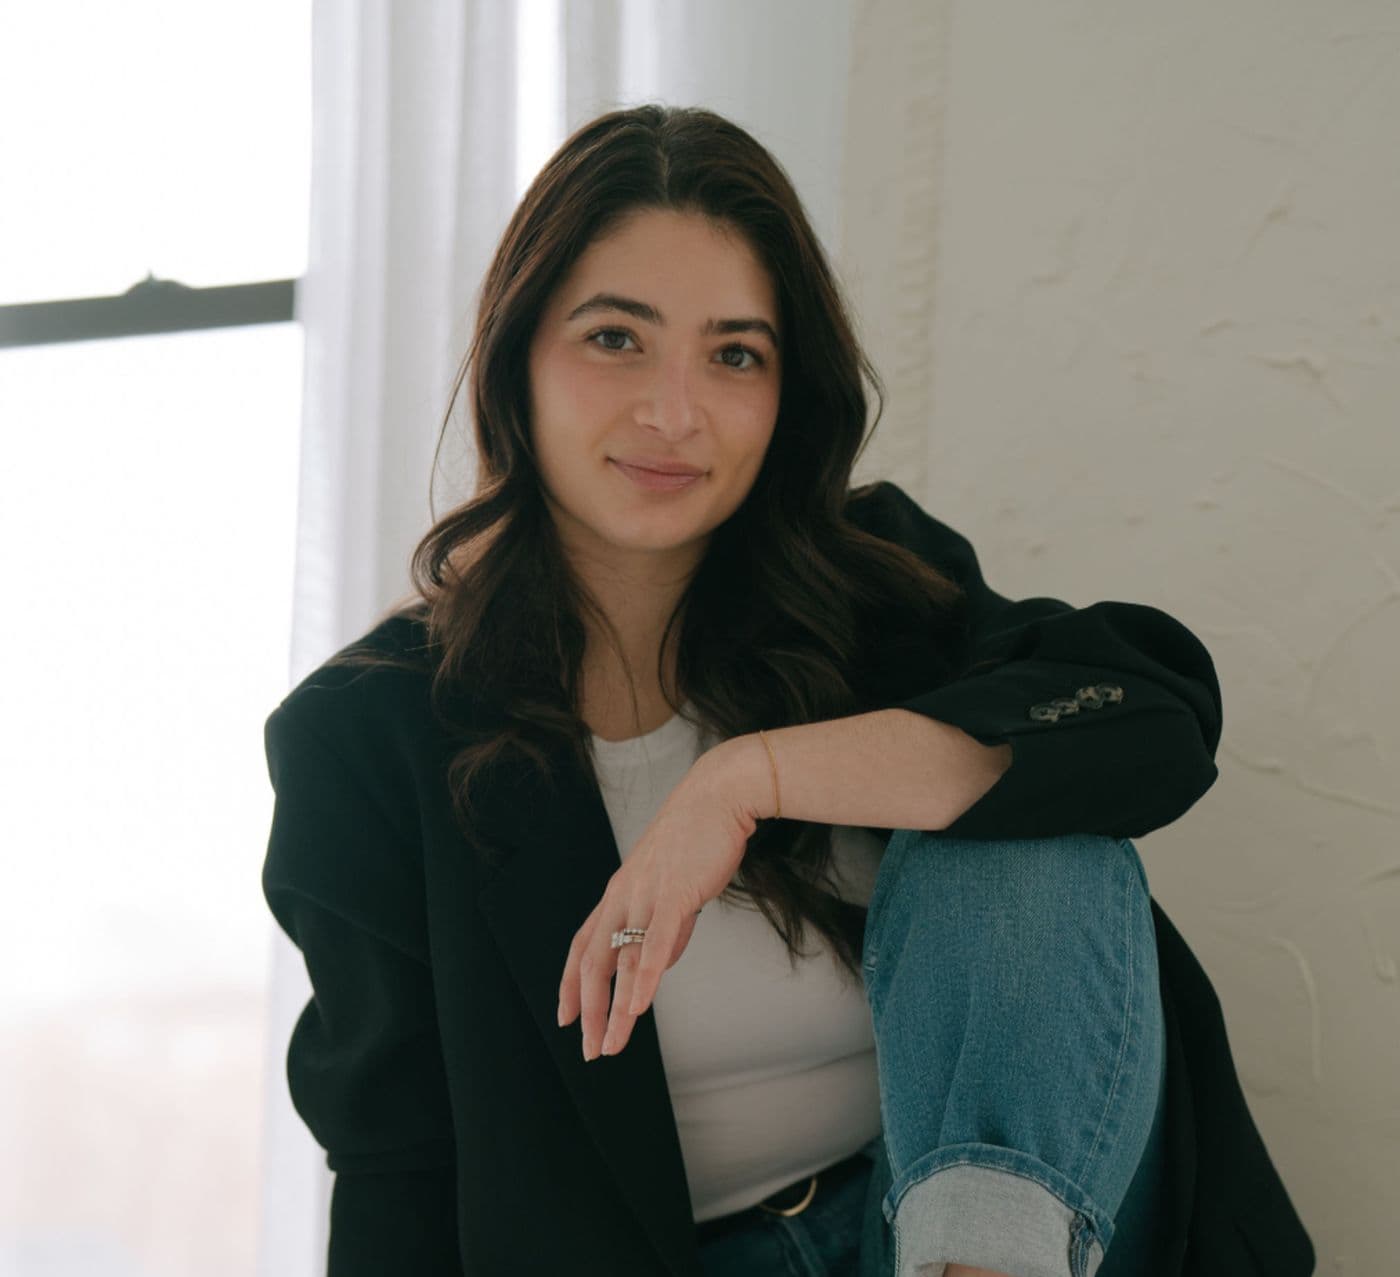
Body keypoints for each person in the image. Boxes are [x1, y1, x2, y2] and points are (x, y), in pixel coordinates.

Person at [261, 104, 1314, 1276]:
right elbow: (396, 1157)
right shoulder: (363, 734)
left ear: (784, 390)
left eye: (734, 354)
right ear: (516, 355)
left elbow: (1151, 718)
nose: (674, 412)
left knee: (1022, 829)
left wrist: (746, 778)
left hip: (989, 1233)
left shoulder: (871, 589)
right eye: (615, 338)